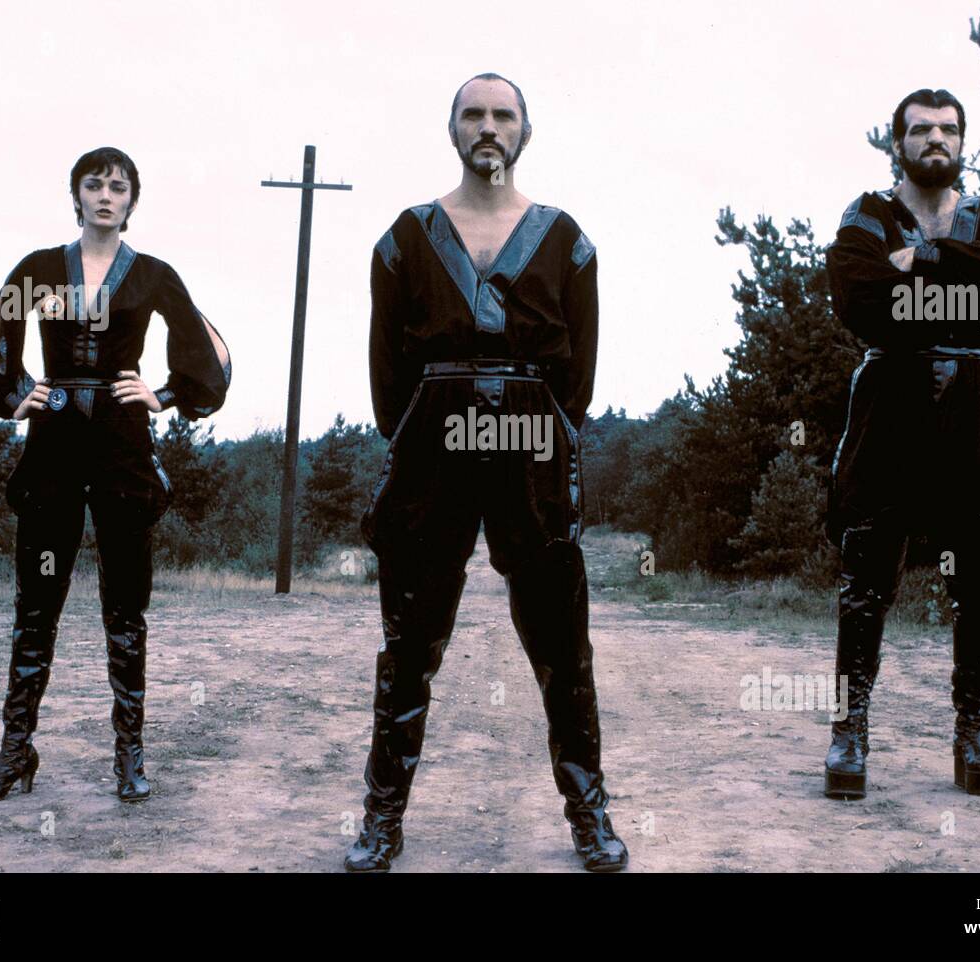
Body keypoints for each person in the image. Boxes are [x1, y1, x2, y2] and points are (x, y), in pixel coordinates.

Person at [346, 73, 628, 872]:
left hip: (532, 445)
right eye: (474, 114)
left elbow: (580, 378)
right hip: (432, 445)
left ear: (526, 131)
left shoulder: (565, 237)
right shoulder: (405, 237)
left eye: (503, 115)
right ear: (453, 130)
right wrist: (426, 430)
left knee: (562, 643)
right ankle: (381, 819)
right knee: (409, 642)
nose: (489, 127)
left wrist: (540, 438)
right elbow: (385, 374)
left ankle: (589, 813)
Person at [0, 146, 231, 804]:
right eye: (94, 184)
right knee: (35, 606)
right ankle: (14, 754)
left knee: (125, 607)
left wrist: (163, 394)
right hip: (53, 444)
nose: (106, 195)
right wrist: (16, 392)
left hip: (121, 446)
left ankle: (129, 759)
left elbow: (213, 353)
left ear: (132, 200)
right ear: (76, 195)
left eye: (119, 185)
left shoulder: (153, 275)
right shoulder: (42, 269)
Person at [823, 89, 980, 799]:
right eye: (921, 131)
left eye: (947, 130)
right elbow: (857, 293)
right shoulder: (869, 214)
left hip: (972, 399)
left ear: (962, 140)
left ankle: (973, 733)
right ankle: (849, 734)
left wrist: (923, 260)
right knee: (866, 576)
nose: (935, 140)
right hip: (892, 400)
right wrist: (964, 272)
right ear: (899, 144)